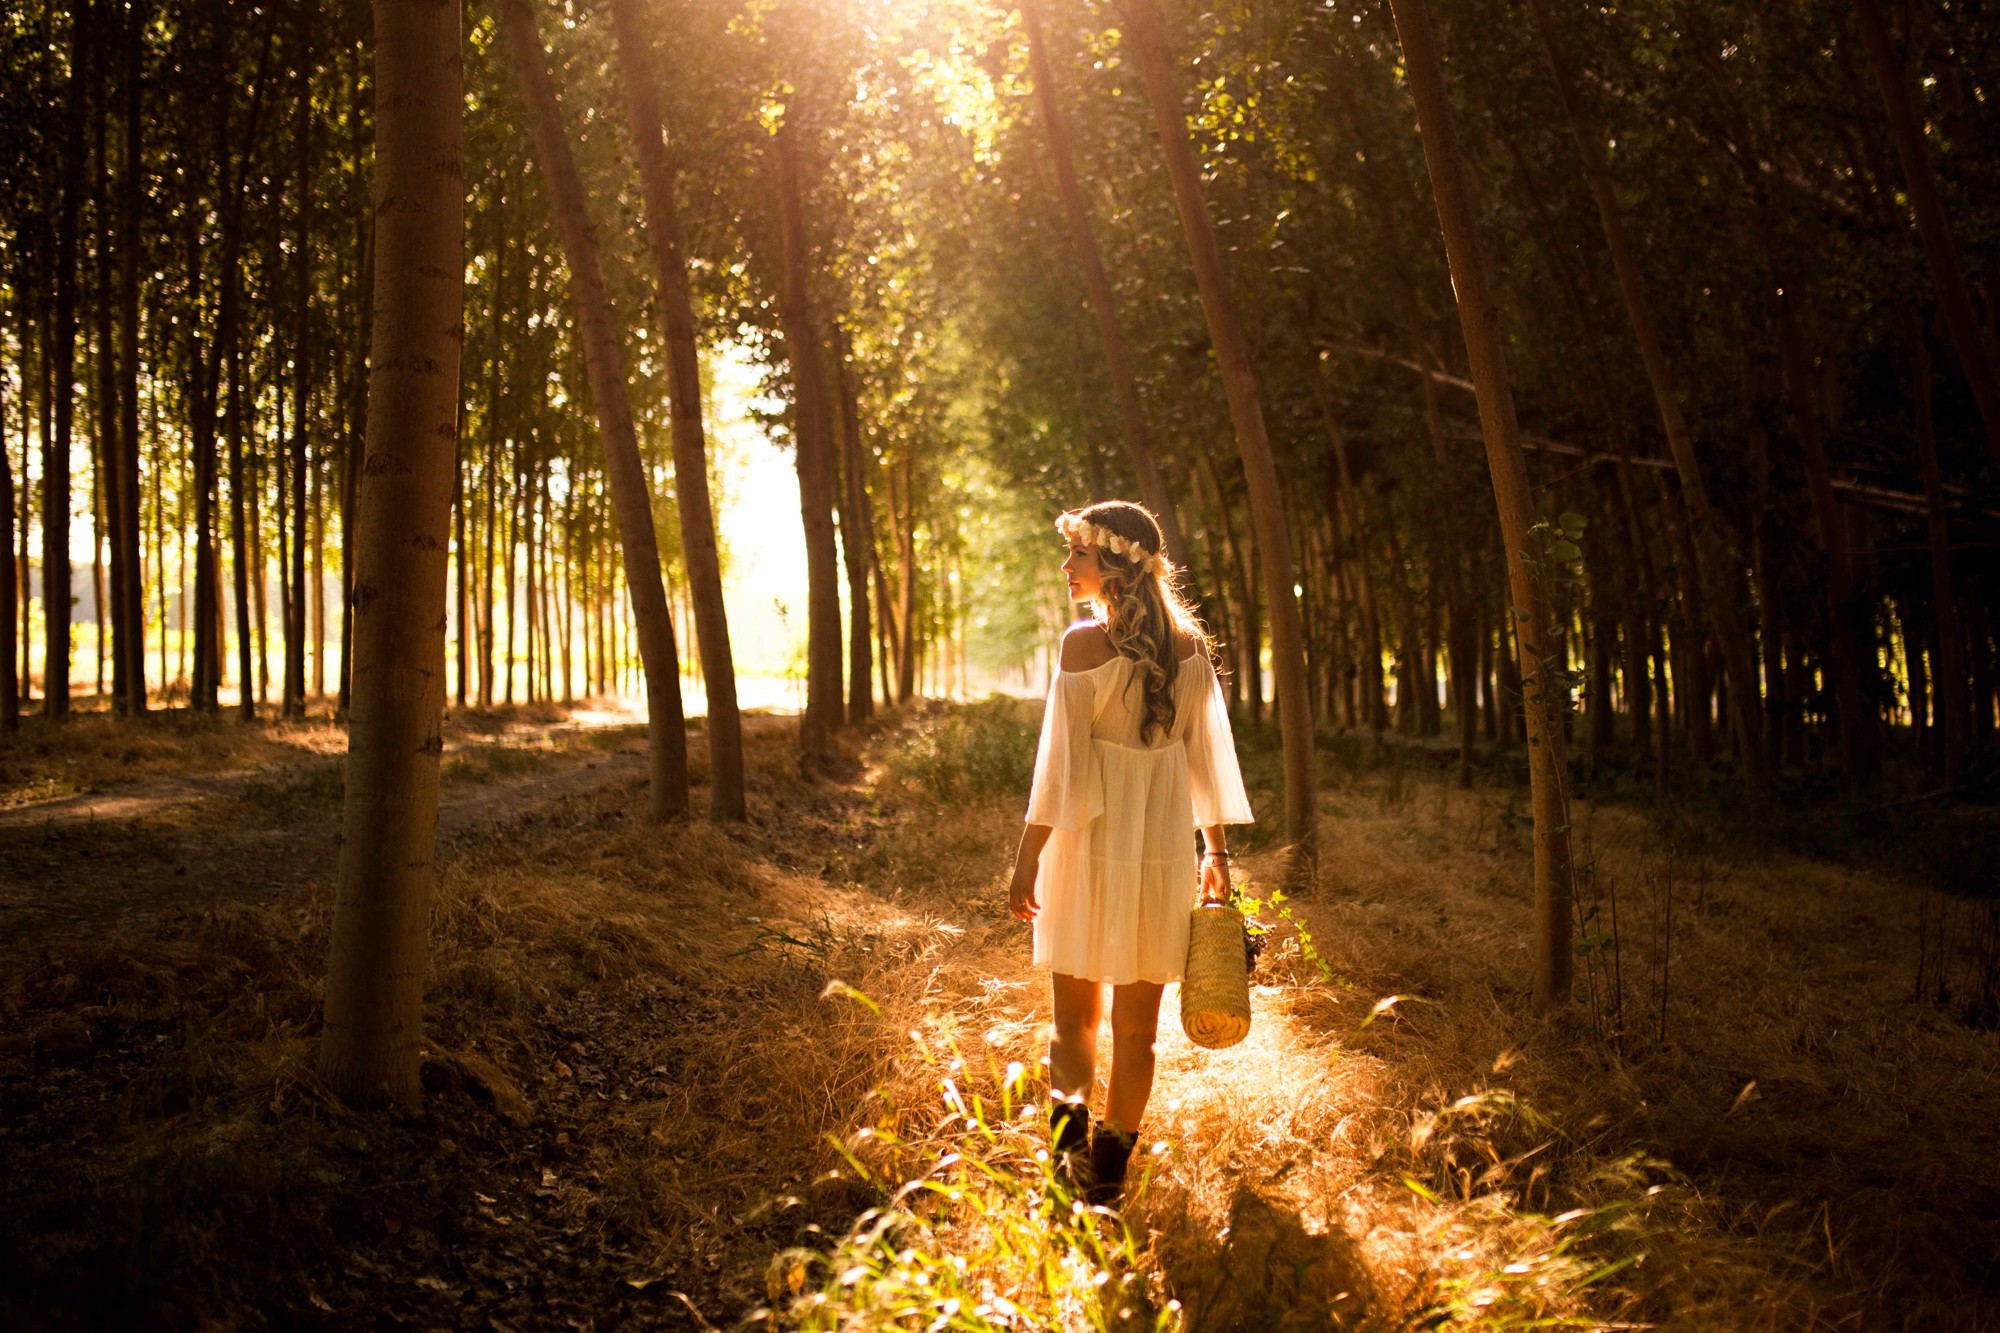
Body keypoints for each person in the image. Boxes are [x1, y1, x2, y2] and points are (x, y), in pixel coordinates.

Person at [1008, 500, 1253, 1206]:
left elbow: (1057, 771)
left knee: (1072, 1023)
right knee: (1137, 1032)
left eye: (1078, 555)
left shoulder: (1082, 646)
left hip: (1084, 849)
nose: (1067, 567)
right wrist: (1216, 853)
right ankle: (1105, 1186)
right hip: (1161, 851)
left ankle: (1067, 1170)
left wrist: (1027, 857)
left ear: (1114, 563)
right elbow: (1208, 767)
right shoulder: (1192, 651)